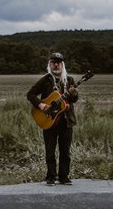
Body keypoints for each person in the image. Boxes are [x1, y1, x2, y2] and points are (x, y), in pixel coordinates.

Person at [27, 52, 78, 186]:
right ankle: (50, 177)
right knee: (50, 151)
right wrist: (41, 105)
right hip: (49, 120)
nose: (56, 64)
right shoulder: (45, 80)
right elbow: (30, 94)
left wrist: (74, 94)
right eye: (53, 62)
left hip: (66, 121)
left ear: (62, 65)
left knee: (65, 151)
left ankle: (63, 177)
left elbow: (73, 100)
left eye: (58, 62)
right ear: (50, 64)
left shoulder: (70, 80)